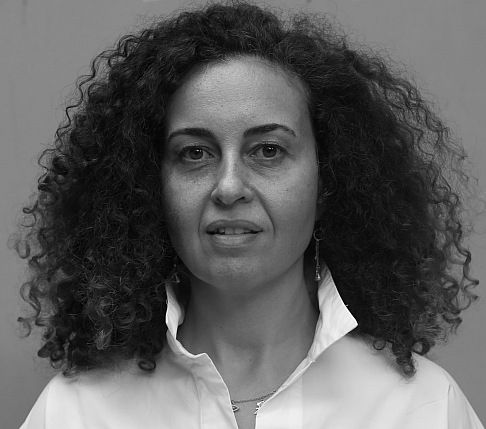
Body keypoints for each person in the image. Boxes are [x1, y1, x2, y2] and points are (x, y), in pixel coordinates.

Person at [12, 1, 484, 428]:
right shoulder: (74, 413)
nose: (229, 187)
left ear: (328, 182)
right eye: (195, 153)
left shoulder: (424, 408)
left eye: (268, 150)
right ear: (149, 187)